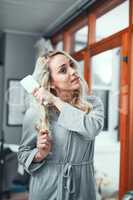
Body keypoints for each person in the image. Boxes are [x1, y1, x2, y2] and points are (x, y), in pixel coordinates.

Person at [18, 50, 104, 200]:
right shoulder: (36, 112)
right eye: (63, 70)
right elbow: (23, 153)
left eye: (71, 65)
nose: (73, 71)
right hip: (47, 186)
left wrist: (55, 100)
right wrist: (39, 154)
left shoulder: (93, 104)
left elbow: (91, 129)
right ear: (51, 82)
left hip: (83, 187)